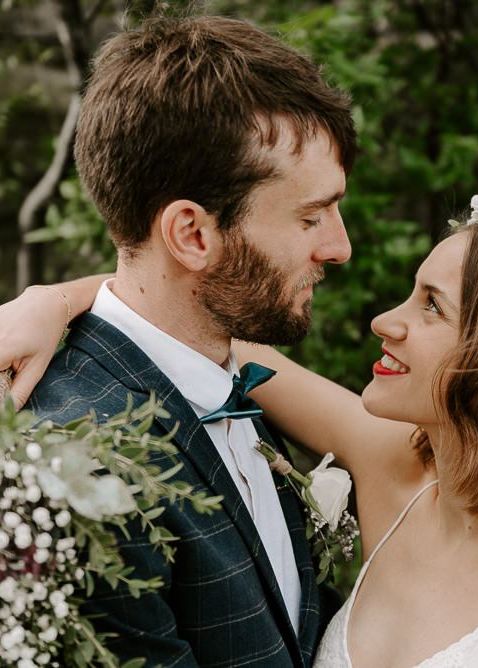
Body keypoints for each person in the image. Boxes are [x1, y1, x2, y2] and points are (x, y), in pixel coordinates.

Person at [2, 192, 478, 665]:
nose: (387, 320)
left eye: (430, 307)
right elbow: (192, 325)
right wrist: (49, 303)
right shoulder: (392, 468)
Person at [0, 14, 357, 667]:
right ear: (192, 235)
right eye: (310, 217)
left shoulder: (216, 371)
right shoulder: (81, 477)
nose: (340, 248)